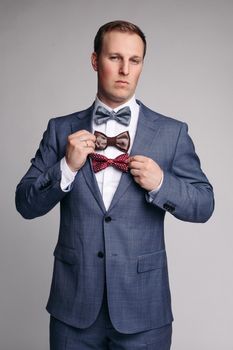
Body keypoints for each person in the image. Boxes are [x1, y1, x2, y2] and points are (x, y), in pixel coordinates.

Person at [15, 20, 214, 350]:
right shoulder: (59, 129)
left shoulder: (172, 133)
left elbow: (204, 205)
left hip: (144, 311)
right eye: (114, 58)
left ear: (141, 65)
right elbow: (25, 203)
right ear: (95, 61)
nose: (124, 70)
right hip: (73, 311)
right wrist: (66, 167)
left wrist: (162, 184)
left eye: (134, 61)